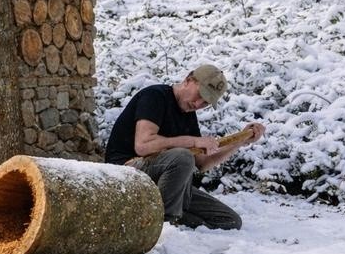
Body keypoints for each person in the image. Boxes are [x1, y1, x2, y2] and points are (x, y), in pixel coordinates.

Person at [104, 64, 265, 230]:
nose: (198, 104)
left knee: (229, 221)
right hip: (127, 173)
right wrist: (193, 141)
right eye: (200, 95)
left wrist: (240, 142)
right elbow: (143, 145)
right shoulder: (155, 96)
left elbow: (202, 163)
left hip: (167, 186)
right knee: (182, 156)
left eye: (206, 103)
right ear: (188, 80)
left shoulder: (188, 115)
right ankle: (164, 225)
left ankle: (157, 218)